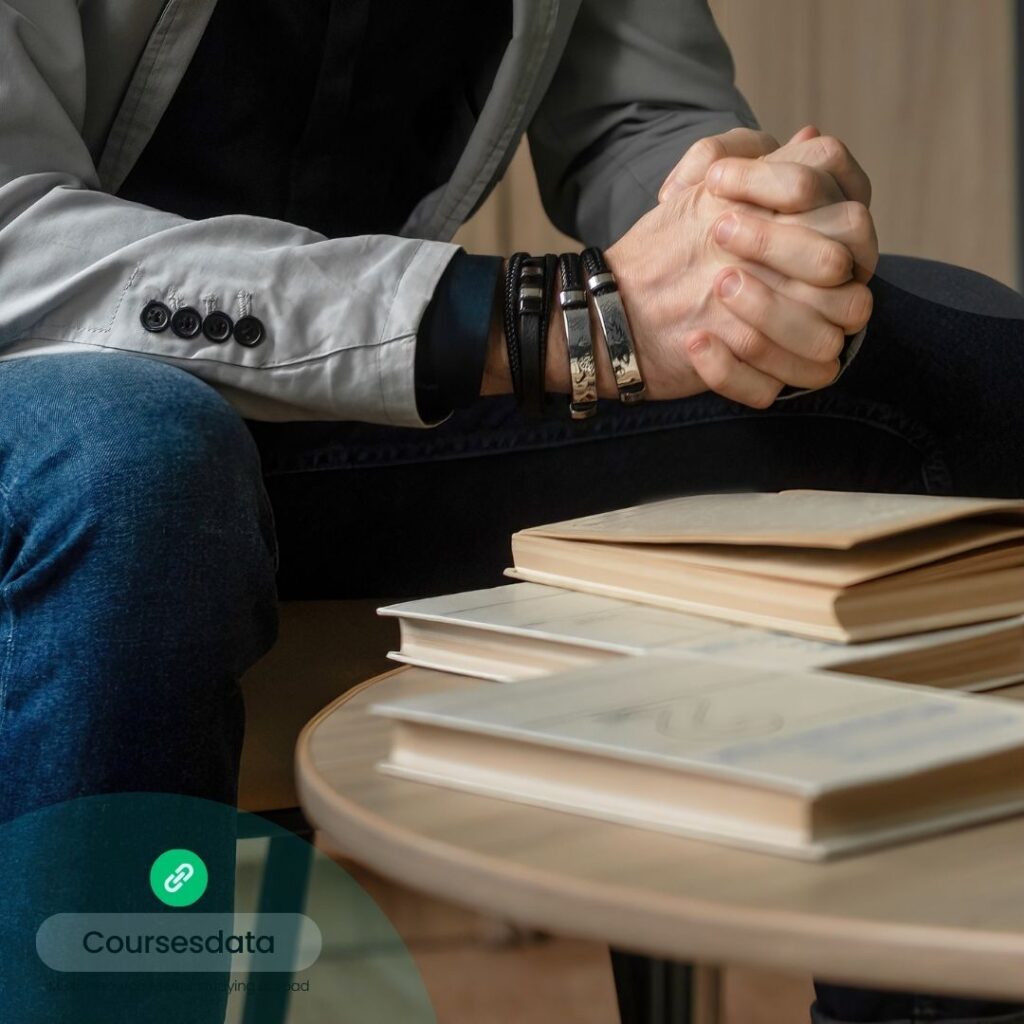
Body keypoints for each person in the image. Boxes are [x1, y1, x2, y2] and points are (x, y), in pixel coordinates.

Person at [1, 1, 1022, 1021]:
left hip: (349, 395)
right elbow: (15, 238)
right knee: (134, 463)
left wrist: (746, 230)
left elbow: (639, 116)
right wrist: (554, 317)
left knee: (963, 372)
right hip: (66, 405)